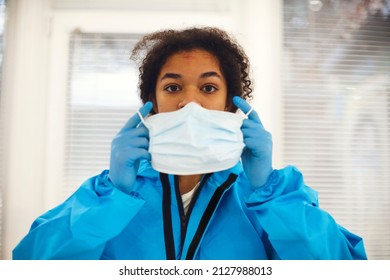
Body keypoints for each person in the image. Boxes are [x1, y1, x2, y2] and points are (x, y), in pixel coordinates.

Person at [13, 27, 367, 260]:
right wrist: (113, 196)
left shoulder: (268, 196)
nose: (190, 103)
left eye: (209, 88)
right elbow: (33, 263)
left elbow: (341, 266)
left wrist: (268, 191)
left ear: (232, 105)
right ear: (149, 105)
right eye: (172, 87)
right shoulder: (108, 193)